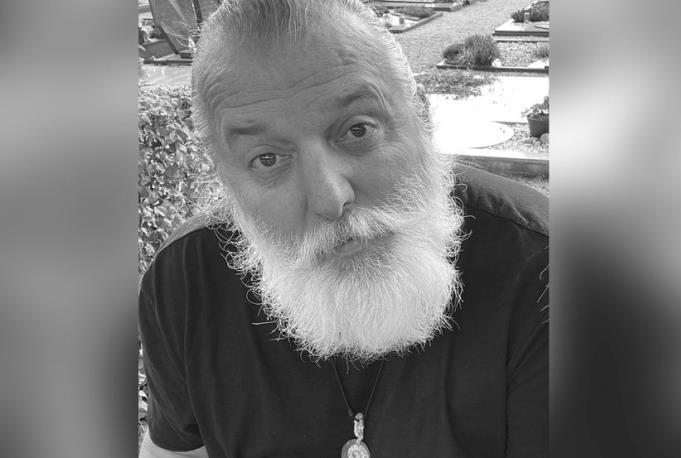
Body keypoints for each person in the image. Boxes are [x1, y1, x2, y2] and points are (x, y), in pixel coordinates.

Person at [138, 1, 549, 457]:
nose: (330, 199)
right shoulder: (184, 281)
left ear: (421, 116)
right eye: (267, 159)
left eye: (357, 130)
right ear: (225, 179)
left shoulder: (545, 272)